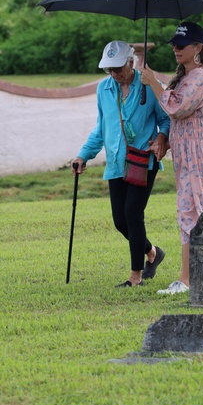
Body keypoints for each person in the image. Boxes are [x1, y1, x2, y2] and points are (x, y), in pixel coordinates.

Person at [140, 21, 203, 295]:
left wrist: (153, 84)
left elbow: (177, 107)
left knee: (195, 209)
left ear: (197, 48)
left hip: (200, 151)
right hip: (191, 150)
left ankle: (186, 280)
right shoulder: (187, 77)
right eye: (174, 44)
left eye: (181, 45)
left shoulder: (202, 76)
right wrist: (165, 140)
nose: (175, 48)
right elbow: (182, 120)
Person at [72, 40, 171, 288]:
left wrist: (161, 137)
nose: (114, 74)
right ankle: (152, 253)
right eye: (109, 69)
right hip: (116, 162)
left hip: (142, 161)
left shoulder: (150, 86)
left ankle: (135, 276)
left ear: (131, 62)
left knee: (133, 214)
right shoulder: (104, 89)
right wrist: (83, 155)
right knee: (120, 221)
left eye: (118, 68)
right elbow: (101, 128)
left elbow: (167, 119)